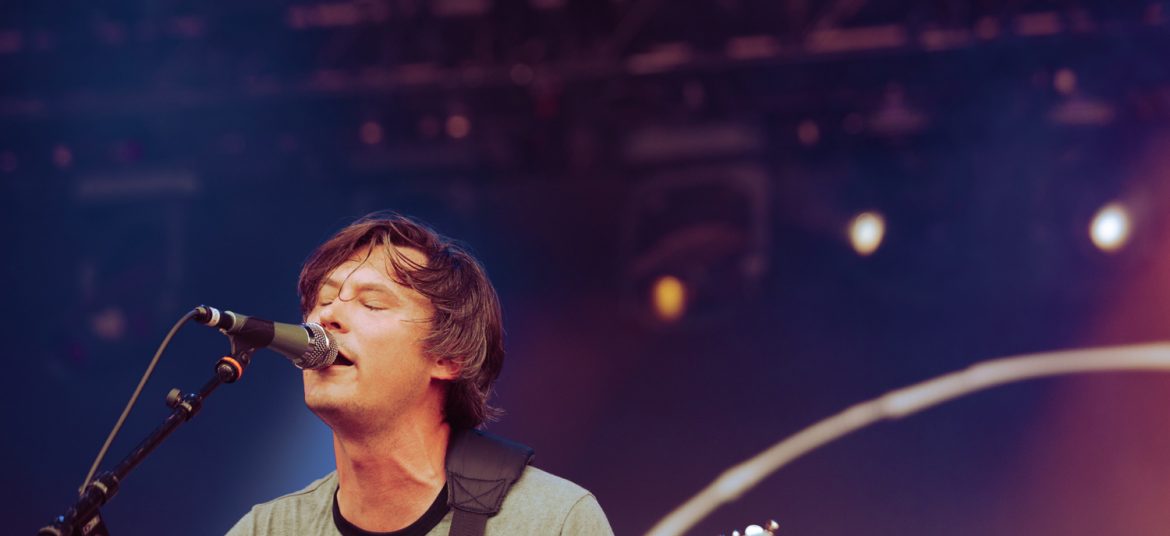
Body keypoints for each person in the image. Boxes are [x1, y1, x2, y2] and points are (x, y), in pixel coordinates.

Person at [226, 213, 613, 536]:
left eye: (372, 303)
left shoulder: (553, 521)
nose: (326, 316)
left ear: (449, 356)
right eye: (323, 300)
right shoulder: (267, 529)